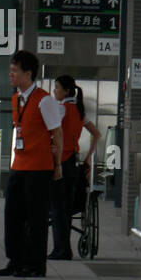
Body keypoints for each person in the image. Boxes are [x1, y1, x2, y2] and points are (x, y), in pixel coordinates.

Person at [0, 50, 63, 278]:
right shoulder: (17, 99)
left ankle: (35, 264)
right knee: (12, 215)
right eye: (11, 70)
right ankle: (15, 260)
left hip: (39, 168)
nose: (11, 75)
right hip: (19, 165)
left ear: (28, 73)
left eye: (15, 71)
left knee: (36, 218)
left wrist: (58, 165)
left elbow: (57, 134)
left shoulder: (45, 101)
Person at [49, 74, 102, 260]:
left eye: (56, 88)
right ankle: (63, 248)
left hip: (59, 162)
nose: (54, 91)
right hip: (74, 161)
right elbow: (97, 134)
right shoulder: (80, 112)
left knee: (57, 208)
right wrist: (88, 158)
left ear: (66, 91)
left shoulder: (60, 109)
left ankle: (61, 250)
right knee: (65, 207)